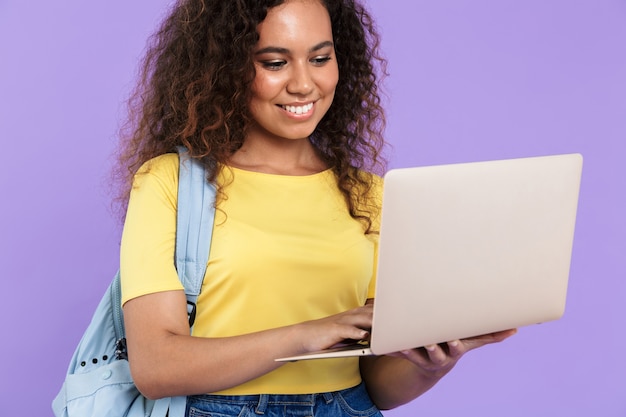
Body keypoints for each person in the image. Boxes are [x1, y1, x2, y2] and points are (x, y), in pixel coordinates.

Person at [115, 0, 516, 415]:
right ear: (224, 69)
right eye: (274, 63)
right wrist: (308, 335)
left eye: (321, 58)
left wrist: (434, 364)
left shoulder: (368, 195)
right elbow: (156, 367)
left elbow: (379, 388)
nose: (304, 84)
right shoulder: (169, 182)